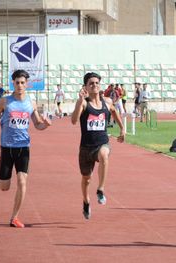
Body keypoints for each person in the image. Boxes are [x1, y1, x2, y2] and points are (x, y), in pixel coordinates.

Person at [0, 69, 51, 228]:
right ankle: (4, 178)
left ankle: (14, 217)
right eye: (17, 82)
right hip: (7, 148)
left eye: (23, 82)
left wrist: (46, 125)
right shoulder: (5, 101)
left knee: (22, 182)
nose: (20, 85)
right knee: (4, 187)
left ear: (27, 84)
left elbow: (37, 125)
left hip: (23, 148)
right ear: (13, 83)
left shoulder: (31, 103)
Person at [71, 72, 125, 220]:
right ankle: (86, 201)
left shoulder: (107, 102)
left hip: (102, 142)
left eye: (96, 83)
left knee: (104, 155)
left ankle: (100, 189)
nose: (94, 85)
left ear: (100, 85)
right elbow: (74, 121)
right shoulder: (83, 103)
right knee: (86, 179)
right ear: (86, 87)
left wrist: (122, 129)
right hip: (86, 147)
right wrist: (79, 101)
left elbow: (114, 112)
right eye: (91, 83)